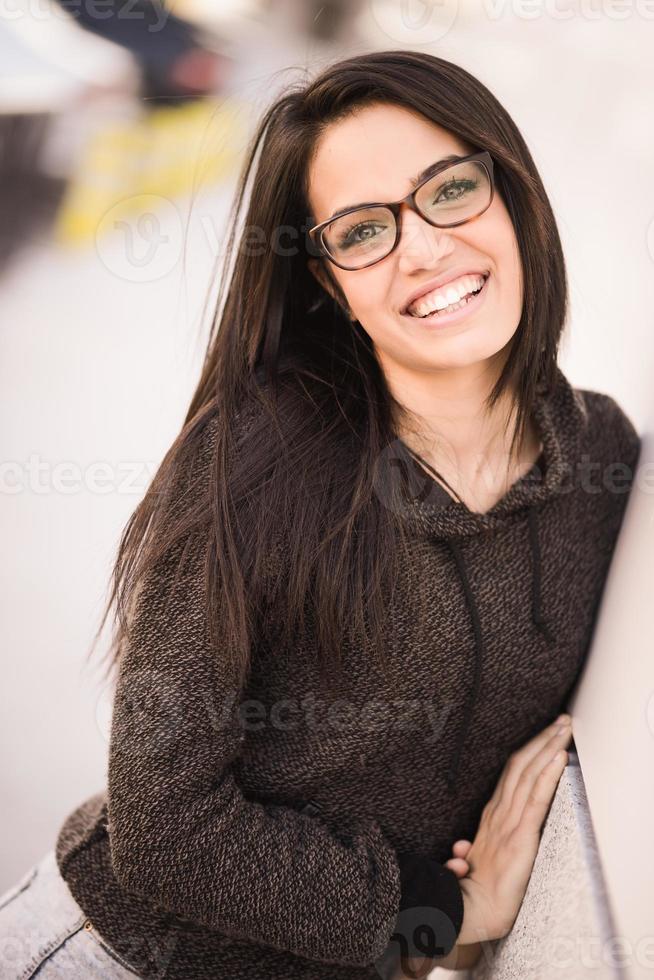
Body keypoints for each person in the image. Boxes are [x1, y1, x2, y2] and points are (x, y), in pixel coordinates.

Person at [0, 49, 640, 979]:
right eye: (364, 230)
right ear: (330, 283)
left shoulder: (605, 458)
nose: (423, 247)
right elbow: (162, 826)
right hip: (120, 957)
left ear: (515, 195)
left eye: (451, 190)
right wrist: (440, 914)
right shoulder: (257, 458)